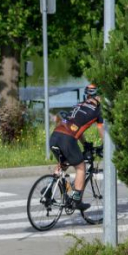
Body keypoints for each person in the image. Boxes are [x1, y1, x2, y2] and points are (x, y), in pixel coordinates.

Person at [48, 83, 105, 211]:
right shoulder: (98, 110)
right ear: (98, 96)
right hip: (67, 139)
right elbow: (101, 130)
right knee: (81, 167)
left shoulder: (78, 105)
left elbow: (77, 129)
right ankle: (77, 201)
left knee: (63, 164)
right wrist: (105, 146)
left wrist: (85, 143)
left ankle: (48, 190)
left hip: (55, 136)